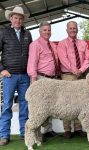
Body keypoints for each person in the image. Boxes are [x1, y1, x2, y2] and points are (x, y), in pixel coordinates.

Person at [0, 6, 32, 146]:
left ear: (23, 20)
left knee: (25, 105)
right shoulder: (3, 32)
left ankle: (24, 133)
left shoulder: (28, 34)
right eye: (15, 18)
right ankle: (4, 135)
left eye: (20, 18)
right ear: (11, 19)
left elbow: (31, 55)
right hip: (9, 76)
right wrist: (1, 70)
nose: (18, 20)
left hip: (25, 76)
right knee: (7, 105)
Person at [57, 21, 89, 138]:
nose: (72, 30)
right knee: (66, 102)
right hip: (67, 76)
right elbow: (63, 59)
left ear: (77, 29)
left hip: (81, 76)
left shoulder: (83, 43)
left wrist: (81, 70)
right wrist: (74, 69)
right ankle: (67, 129)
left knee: (79, 103)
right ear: (67, 30)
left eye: (74, 28)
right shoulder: (62, 44)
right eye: (70, 28)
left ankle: (78, 128)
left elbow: (87, 59)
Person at [27, 21, 59, 138]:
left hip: (52, 79)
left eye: (49, 30)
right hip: (41, 79)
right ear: (39, 31)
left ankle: (48, 129)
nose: (47, 32)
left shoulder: (52, 45)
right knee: (40, 106)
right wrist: (34, 81)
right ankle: (36, 131)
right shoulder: (35, 45)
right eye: (44, 30)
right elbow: (32, 63)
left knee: (49, 105)